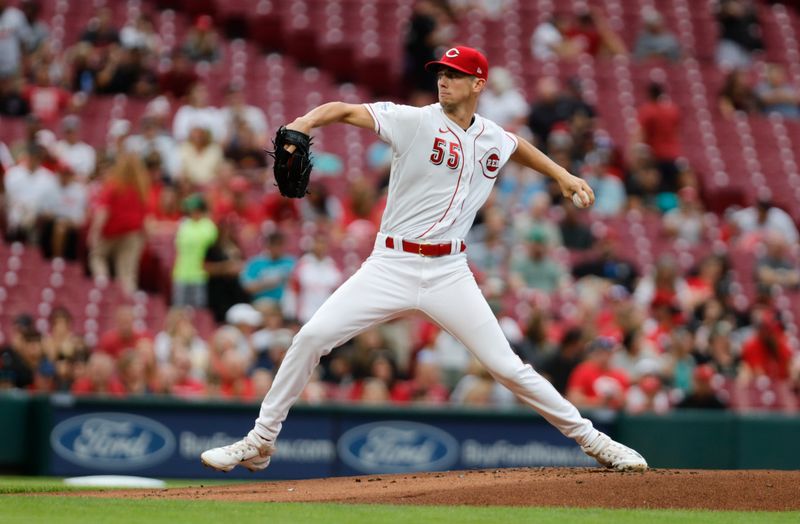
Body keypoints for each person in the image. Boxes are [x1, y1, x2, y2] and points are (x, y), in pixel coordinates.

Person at [201, 46, 647, 473]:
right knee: (311, 337)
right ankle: (260, 441)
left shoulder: (491, 135)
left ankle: (595, 442)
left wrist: (563, 175)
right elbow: (343, 108)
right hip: (390, 264)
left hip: (449, 272)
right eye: (440, 73)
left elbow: (516, 145)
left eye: (454, 75)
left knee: (508, 367)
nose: (443, 80)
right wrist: (304, 120)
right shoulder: (413, 121)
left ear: (478, 84)